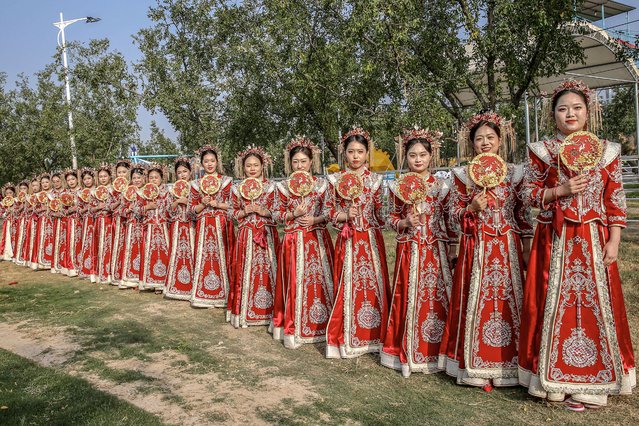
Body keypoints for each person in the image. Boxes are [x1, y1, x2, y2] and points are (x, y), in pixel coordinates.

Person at [519, 80, 635, 410]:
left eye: (577, 108)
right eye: (562, 108)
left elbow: (615, 198)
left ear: (588, 112)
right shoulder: (540, 151)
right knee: (550, 304)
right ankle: (549, 377)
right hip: (553, 241)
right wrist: (560, 190)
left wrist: (614, 240)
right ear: (552, 114)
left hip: (594, 241)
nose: (570, 113)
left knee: (595, 305)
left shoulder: (608, 150)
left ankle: (595, 382)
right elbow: (528, 194)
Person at [439, 111, 532, 390]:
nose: (485, 143)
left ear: (500, 140)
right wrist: (471, 208)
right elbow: (452, 215)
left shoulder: (516, 174)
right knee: (475, 301)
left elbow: (524, 215)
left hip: (507, 247)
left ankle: (510, 366)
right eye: (478, 139)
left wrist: (526, 249)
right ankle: (475, 366)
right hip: (476, 247)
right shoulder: (462, 176)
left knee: (508, 300)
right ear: (471, 144)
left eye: (490, 137)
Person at [381, 128, 457, 376]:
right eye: (412, 155)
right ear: (405, 157)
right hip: (409, 250)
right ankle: (407, 352)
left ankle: (438, 354)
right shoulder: (397, 187)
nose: (418, 160)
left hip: (435, 250)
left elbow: (450, 221)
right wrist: (404, 223)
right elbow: (388, 218)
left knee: (437, 297)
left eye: (423, 154)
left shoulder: (443, 186)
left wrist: (452, 247)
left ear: (431, 156)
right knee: (408, 296)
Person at [325, 127, 391, 359]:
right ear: (344, 153)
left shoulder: (375, 181)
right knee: (348, 285)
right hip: (349, 240)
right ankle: (346, 337)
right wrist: (344, 215)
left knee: (374, 286)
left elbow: (383, 215)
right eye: (351, 151)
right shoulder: (335, 180)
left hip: (371, 240)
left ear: (367, 154)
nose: (355, 156)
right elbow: (328, 211)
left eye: (360, 151)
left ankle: (375, 336)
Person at [271, 136, 335, 348]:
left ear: (311, 162)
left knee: (318, 280)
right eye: (295, 161)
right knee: (295, 282)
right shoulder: (283, 187)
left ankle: (321, 325)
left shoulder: (322, 185)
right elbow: (276, 214)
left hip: (316, 239)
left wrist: (315, 219)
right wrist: (292, 214)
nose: (299, 165)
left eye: (303, 161)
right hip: (293, 240)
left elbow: (329, 211)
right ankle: (294, 327)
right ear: (290, 163)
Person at [229, 146, 279, 328]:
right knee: (245, 271)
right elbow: (231, 212)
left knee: (268, 270)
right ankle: (245, 312)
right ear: (243, 167)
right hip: (246, 235)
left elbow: (278, 212)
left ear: (262, 166)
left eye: (255, 165)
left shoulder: (272, 187)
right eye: (248, 165)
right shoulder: (237, 189)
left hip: (266, 234)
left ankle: (270, 311)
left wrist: (262, 211)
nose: (252, 169)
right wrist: (243, 211)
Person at [190, 146, 235, 308]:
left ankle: (225, 294)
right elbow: (191, 210)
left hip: (221, 224)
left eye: (212, 161)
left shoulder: (227, 181)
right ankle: (204, 294)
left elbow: (233, 206)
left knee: (223, 256)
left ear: (217, 162)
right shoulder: (195, 184)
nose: (209, 164)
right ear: (201, 163)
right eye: (206, 161)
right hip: (203, 226)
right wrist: (202, 205)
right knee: (206, 257)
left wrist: (218, 204)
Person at [164, 157, 196, 300]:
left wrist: (188, 202)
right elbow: (168, 211)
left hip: (192, 225)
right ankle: (176, 287)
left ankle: (192, 288)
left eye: (185, 171)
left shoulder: (196, 187)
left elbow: (199, 208)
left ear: (190, 172)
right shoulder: (171, 190)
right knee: (178, 255)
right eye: (179, 172)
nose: (182, 175)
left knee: (193, 254)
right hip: (177, 226)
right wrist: (177, 202)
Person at [139, 164, 171, 292]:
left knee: (165, 254)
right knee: (150, 255)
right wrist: (147, 207)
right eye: (151, 177)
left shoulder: (167, 192)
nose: (153, 180)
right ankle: (151, 282)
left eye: (156, 177)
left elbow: (171, 209)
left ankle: (164, 282)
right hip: (150, 227)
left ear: (161, 178)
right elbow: (136, 210)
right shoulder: (142, 192)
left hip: (163, 227)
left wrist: (161, 204)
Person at [120, 165, 146, 289]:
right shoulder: (127, 192)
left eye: (139, 177)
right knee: (132, 251)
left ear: (144, 178)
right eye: (134, 178)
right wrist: (128, 209)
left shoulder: (149, 190)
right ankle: (130, 280)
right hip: (131, 225)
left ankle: (142, 279)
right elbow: (121, 210)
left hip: (144, 226)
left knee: (143, 251)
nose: (137, 180)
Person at [110, 160, 131, 286]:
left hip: (131, 221)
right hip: (118, 221)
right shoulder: (114, 190)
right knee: (118, 246)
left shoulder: (134, 187)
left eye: (124, 172)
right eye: (119, 172)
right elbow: (109, 206)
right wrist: (119, 200)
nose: (121, 174)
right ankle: (117, 275)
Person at [78, 168, 98, 281]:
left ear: (93, 179)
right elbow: (79, 210)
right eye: (85, 179)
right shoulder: (81, 193)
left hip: (98, 221)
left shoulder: (100, 190)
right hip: (87, 221)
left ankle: (97, 271)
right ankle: (87, 270)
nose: (87, 181)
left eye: (89, 178)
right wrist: (88, 208)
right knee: (88, 243)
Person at [63, 169, 82, 277]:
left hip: (81, 221)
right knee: (70, 242)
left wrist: (78, 209)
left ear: (77, 179)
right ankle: (72, 267)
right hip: (70, 221)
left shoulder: (82, 191)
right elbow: (62, 210)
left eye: (73, 179)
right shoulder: (65, 193)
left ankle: (80, 266)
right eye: (68, 180)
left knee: (80, 242)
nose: (71, 182)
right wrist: (68, 210)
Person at [35, 173, 55, 270]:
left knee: (52, 238)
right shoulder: (39, 195)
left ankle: (52, 261)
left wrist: (49, 208)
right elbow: (35, 209)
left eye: (47, 182)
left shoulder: (54, 194)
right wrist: (42, 209)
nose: (45, 184)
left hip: (52, 219)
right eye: (43, 183)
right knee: (42, 238)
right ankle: (42, 262)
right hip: (42, 220)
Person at [50, 171, 67, 274]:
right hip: (56, 221)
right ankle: (57, 264)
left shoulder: (67, 192)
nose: (56, 183)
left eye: (58, 181)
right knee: (57, 241)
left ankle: (65, 264)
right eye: (54, 182)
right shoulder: (51, 194)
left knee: (65, 242)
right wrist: (54, 214)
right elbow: (48, 210)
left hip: (66, 221)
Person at [0, 183, 16, 261]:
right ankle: (6, 254)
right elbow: (1, 214)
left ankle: (15, 253)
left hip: (15, 223)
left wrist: (14, 211)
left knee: (14, 237)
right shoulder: (3, 203)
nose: (9, 194)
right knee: (7, 237)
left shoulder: (16, 202)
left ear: (13, 193)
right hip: (7, 223)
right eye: (7, 193)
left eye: (10, 193)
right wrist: (6, 212)